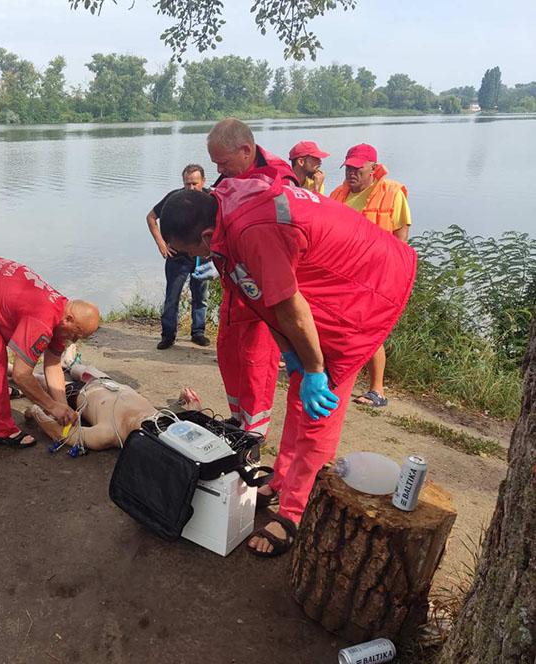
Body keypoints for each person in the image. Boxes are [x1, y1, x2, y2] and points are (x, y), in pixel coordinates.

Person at [158, 169, 416, 558]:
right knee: (298, 392)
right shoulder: (224, 214)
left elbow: (290, 306)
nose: (192, 259)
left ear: (206, 236)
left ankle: (295, 510)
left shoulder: (252, 231)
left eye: (189, 250)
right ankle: (283, 479)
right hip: (326, 285)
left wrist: (315, 369)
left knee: (318, 407)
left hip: (364, 290)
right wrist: (292, 355)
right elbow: (261, 302)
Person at [0, 256, 100, 448]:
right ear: (68, 319)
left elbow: (53, 363)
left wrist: (62, 406)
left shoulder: (61, 313)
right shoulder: (42, 320)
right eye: (76, 334)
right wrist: (51, 406)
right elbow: (21, 375)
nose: (74, 340)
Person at [205, 118, 298, 438]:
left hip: (261, 292)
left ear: (245, 150)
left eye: (222, 162)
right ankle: (237, 420)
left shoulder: (277, 182)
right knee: (229, 355)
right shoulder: (233, 175)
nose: (219, 169)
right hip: (234, 289)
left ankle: (254, 435)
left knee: (257, 363)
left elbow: (284, 243)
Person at [330, 144, 412, 408]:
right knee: (338, 328)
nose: (351, 173)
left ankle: (378, 390)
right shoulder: (337, 194)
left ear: (373, 169)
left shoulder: (392, 193)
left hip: (375, 277)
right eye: (348, 168)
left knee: (370, 331)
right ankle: (338, 376)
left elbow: (401, 240)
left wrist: (390, 278)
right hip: (343, 275)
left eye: (358, 168)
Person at [24, 351, 203, 451]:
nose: (146, 419)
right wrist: (193, 408)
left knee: (41, 380)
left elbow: (62, 434)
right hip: (107, 382)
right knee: (83, 369)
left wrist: (36, 411)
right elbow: (190, 429)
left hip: (81, 393)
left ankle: (13, 370)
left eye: (143, 427)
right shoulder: (160, 421)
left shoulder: (106, 435)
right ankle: (69, 362)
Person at [146, 164, 211, 350]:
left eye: (195, 183)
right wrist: (161, 243)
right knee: (172, 297)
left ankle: (198, 332)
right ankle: (168, 335)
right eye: (187, 183)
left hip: (202, 256)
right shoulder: (174, 198)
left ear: (203, 181)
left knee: (201, 296)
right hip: (177, 256)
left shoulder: (211, 199)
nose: (191, 188)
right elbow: (151, 217)